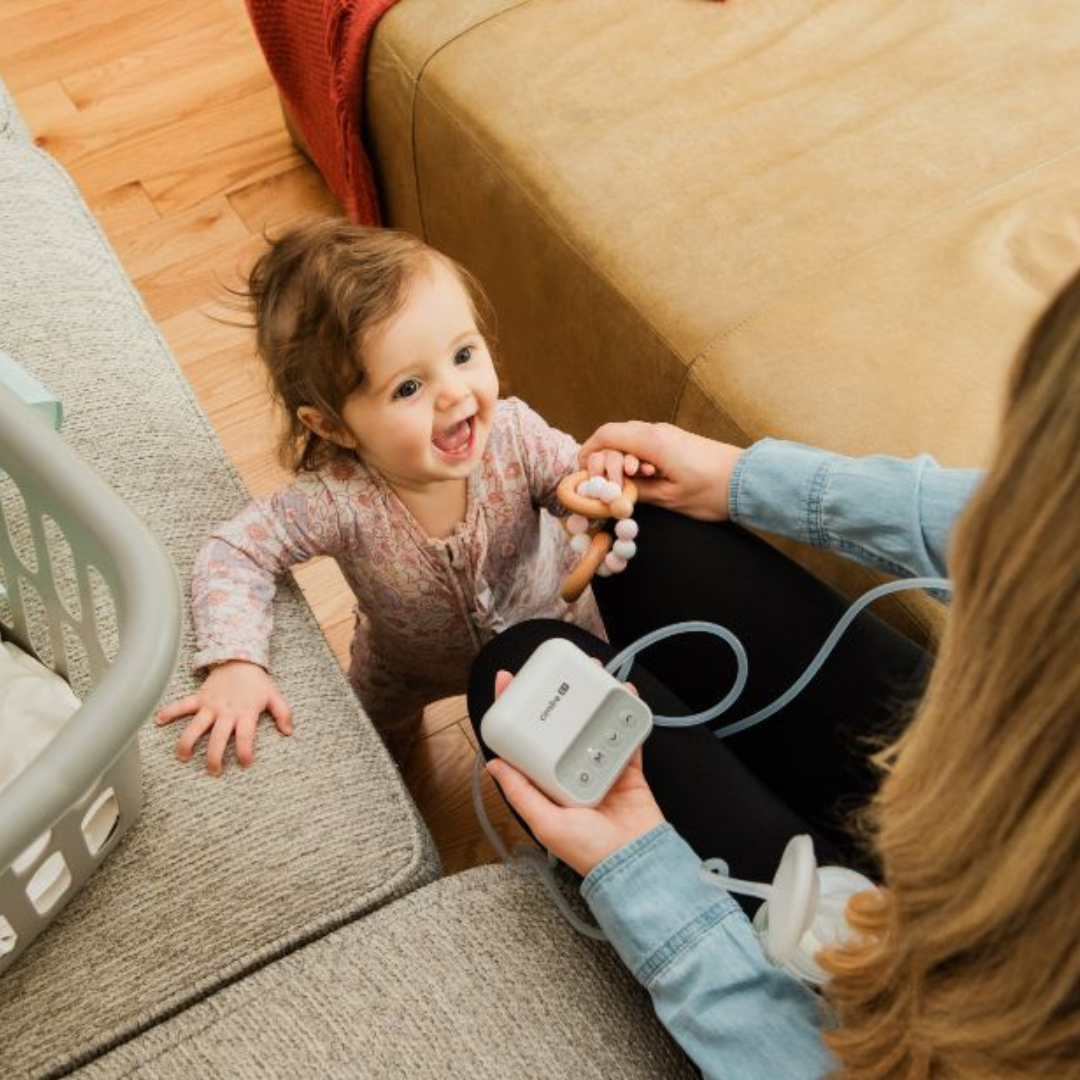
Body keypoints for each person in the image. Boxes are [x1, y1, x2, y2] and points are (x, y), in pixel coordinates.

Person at [468, 269, 1080, 1077]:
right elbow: (1037, 515)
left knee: (520, 672)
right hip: (996, 797)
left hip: (977, 1007)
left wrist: (649, 880)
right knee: (657, 548)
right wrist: (746, 482)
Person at [156, 219, 603, 773]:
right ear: (335, 427)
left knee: (593, 727)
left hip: (559, 624)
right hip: (403, 665)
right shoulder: (339, 499)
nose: (455, 392)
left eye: (464, 354)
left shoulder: (515, 435)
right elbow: (236, 549)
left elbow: (573, 481)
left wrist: (590, 493)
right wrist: (235, 658)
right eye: (409, 388)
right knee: (369, 751)